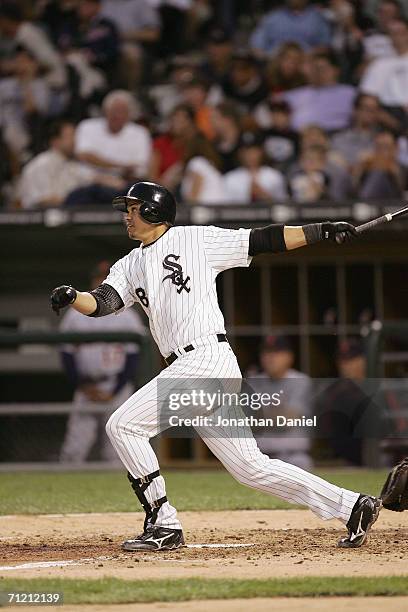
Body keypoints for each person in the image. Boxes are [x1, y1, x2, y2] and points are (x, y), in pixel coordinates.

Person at [51, 180, 383, 551]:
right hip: (192, 368)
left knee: (123, 425)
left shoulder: (195, 240)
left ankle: (163, 523)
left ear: (153, 210)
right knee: (251, 468)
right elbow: (104, 303)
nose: (127, 216)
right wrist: (74, 297)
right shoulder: (129, 264)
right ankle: (353, 505)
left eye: (132, 208)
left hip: (205, 359)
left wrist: (320, 230)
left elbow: (263, 239)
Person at [59, 260, 146, 463]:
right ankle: (61, 491)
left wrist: (114, 391)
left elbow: (134, 358)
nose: (103, 281)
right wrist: (83, 386)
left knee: (117, 451)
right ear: (93, 280)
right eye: (99, 277)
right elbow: (66, 355)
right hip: (86, 387)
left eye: (107, 277)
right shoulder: (75, 315)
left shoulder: (128, 316)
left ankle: (118, 492)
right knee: (74, 447)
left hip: (117, 386)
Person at [18, 120, 125, 209]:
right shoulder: (41, 165)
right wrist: (73, 200)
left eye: (75, 136)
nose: (75, 141)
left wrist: (118, 184)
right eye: (70, 136)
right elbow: (43, 200)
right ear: (55, 142)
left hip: (68, 219)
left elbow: (93, 178)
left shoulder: (70, 165)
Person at [250, 335, 313, 470]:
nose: (271, 357)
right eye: (267, 352)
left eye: (277, 352)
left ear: (289, 357)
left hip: (294, 457)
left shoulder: (301, 381)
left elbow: (287, 420)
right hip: (260, 458)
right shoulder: (254, 382)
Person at [75, 89, 152, 180]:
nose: (117, 116)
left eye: (122, 112)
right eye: (114, 111)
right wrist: (121, 167)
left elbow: (140, 168)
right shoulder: (87, 126)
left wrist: (99, 162)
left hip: (123, 185)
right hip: (88, 182)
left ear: (129, 114)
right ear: (105, 111)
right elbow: (83, 155)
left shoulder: (141, 133)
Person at [283, 52, 356, 132]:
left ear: (336, 71)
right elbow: (276, 101)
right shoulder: (299, 93)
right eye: (314, 69)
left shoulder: (349, 93)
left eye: (322, 69)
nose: (318, 73)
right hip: (299, 135)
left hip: (336, 135)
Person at [223, 131, 287, 204]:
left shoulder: (274, 176)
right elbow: (224, 207)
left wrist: (265, 197)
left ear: (261, 152)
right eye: (246, 151)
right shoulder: (230, 179)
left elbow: (284, 207)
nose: (250, 155)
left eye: (254, 151)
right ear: (240, 153)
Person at [250, 0, 331, 56]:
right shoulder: (272, 17)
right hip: (275, 65)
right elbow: (256, 47)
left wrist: (305, 56)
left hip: (307, 65)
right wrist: (269, 58)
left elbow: (325, 47)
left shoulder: (317, 18)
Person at [353, 129, 407, 199]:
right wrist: (360, 168)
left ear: (395, 148)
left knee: (379, 174)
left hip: (394, 203)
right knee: (377, 173)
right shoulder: (367, 166)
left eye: (386, 147)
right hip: (370, 201)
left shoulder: (402, 168)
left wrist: (393, 173)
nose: (382, 151)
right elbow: (354, 188)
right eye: (378, 147)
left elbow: (403, 193)